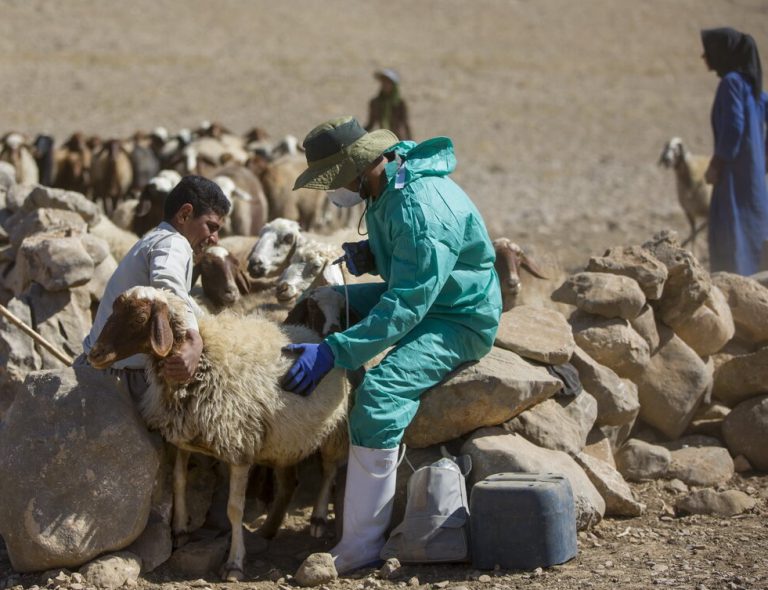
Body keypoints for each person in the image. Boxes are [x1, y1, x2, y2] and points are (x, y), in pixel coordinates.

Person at [284, 116, 502, 574]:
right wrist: (372, 256)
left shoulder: (419, 209)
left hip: (458, 315)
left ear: (360, 166)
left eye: (334, 179)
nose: (332, 191)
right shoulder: (389, 185)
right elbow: (407, 277)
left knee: (380, 397)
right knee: (324, 299)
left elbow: (406, 305)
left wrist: (335, 351)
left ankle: (361, 544)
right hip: (428, 294)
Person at [78, 175, 229, 397]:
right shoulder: (173, 243)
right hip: (122, 378)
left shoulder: (158, 238)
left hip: (108, 367)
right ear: (185, 214)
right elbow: (168, 289)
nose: (215, 238)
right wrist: (194, 341)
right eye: (211, 226)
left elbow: (180, 300)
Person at [701, 27, 768, 275]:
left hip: (733, 177)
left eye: (708, 50)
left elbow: (734, 126)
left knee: (731, 233)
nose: (704, 56)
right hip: (752, 179)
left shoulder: (731, 83)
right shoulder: (752, 89)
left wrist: (717, 163)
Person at [365, 68, 413, 141]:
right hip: (383, 140)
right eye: (383, 82)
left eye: (388, 82)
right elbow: (371, 124)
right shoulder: (375, 102)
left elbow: (405, 124)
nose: (385, 84)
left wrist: (410, 142)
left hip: (398, 139)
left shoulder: (400, 103)